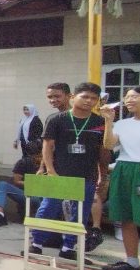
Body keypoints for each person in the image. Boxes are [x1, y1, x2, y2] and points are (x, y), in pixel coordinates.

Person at [29, 82, 107, 260]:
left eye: (93, 98)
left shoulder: (100, 122)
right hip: (60, 174)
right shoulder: (56, 119)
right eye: (85, 97)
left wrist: (102, 175)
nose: (89, 101)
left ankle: (68, 247)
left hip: (86, 176)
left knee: (80, 214)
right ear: (73, 97)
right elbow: (47, 146)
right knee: (48, 208)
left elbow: (103, 151)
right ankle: (36, 244)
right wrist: (50, 170)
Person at [100, 85, 140, 270]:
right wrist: (108, 121)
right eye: (127, 97)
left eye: (135, 96)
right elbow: (108, 145)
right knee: (125, 218)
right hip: (123, 170)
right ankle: (132, 262)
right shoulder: (122, 124)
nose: (129, 100)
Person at [0, 150, 41, 227]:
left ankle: (40, 217)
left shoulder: (52, 163)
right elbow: (16, 181)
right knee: (2, 185)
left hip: (44, 197)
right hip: (28, 194)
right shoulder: (24, 162)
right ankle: (0, 214)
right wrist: (31, 183)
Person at [37, 83, 71, 176]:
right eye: (50, 97)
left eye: (57, 96)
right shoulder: (53, 118)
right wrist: (42, 167)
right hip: (56, 169)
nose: (52, 100)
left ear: (69, 96)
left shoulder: (80, 117)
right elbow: (48, 146)